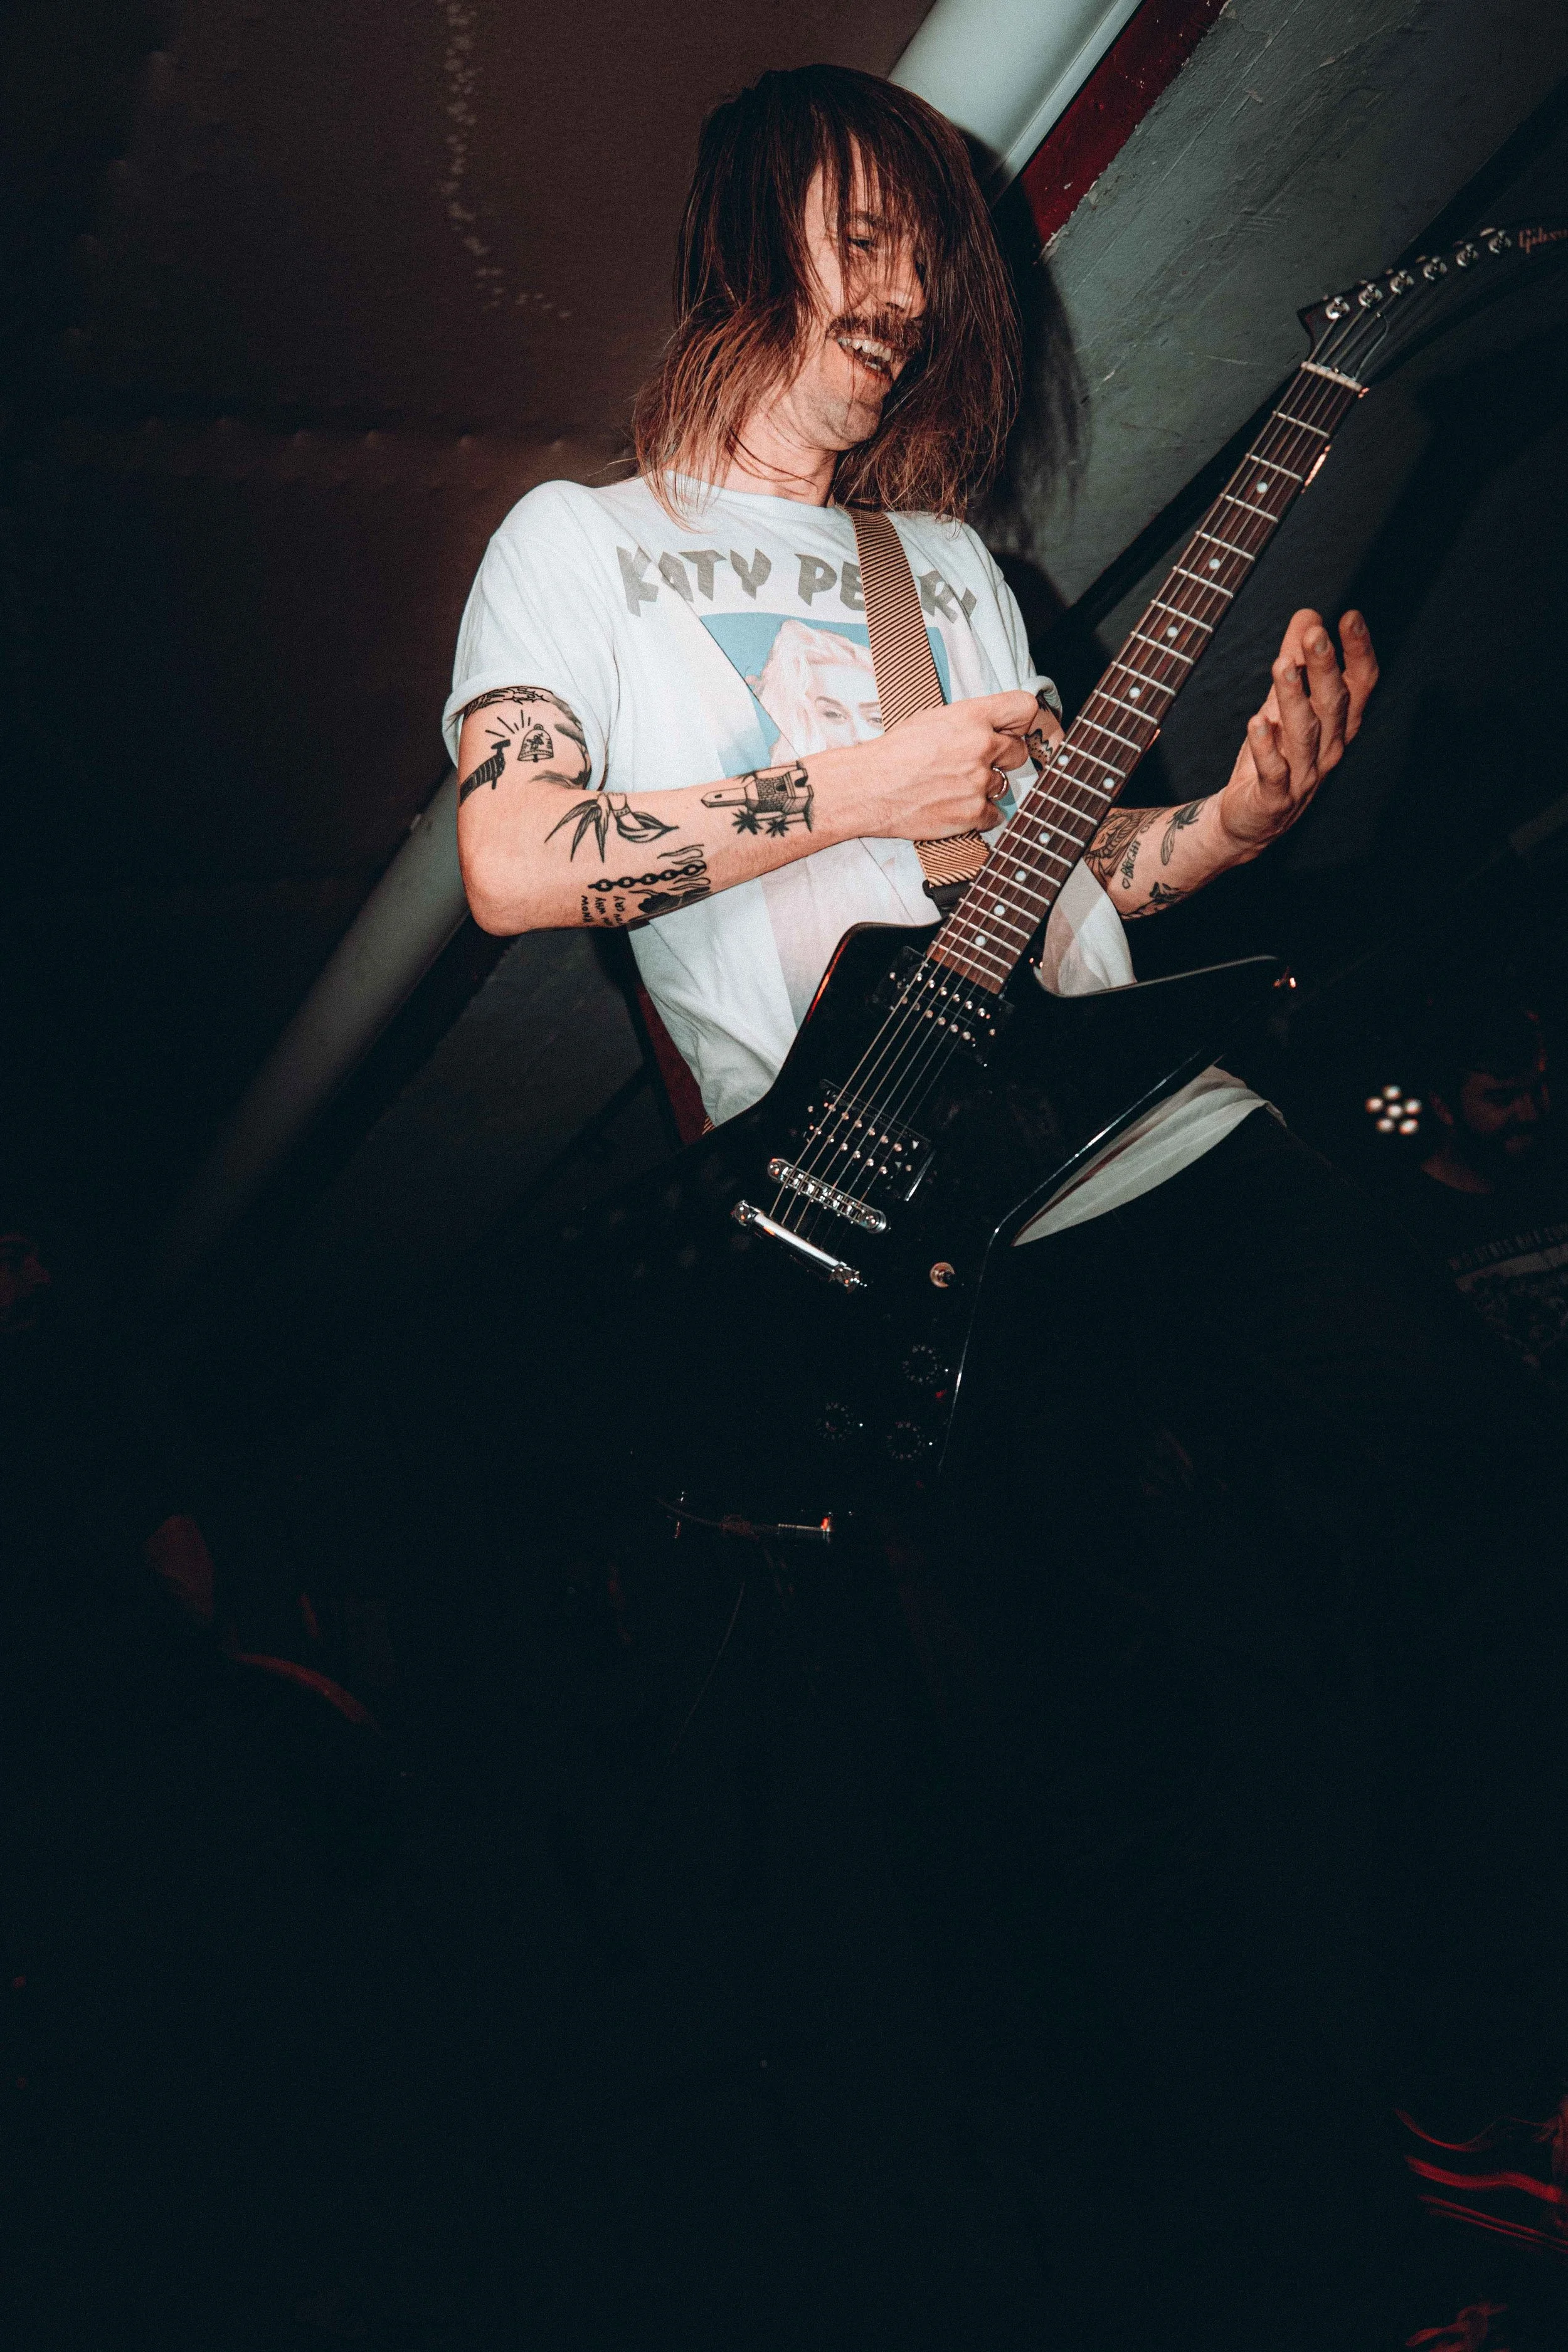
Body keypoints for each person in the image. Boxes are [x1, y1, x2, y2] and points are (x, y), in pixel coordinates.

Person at [442, 64, 1567, 2344]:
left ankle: (1476, 2057)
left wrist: (1221, 832)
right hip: (899, 1236)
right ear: (753, 220)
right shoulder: (580, 544)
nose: (902, 291)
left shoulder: (945, 562)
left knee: (1483, 1473)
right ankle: (1311, 2238)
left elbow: (1061, 889)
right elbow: (509, 862)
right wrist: (844, 781)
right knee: (1122, 1770)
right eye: (863, 231)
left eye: (927, 250)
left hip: (1129, 1123)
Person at [1392, 995, 1568, 1392]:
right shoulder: (1408, 1223)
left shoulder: (1556, 1178)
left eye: (1537, 1090)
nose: (1530, 1113)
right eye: (1502, 1099)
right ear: (1445, 1108)